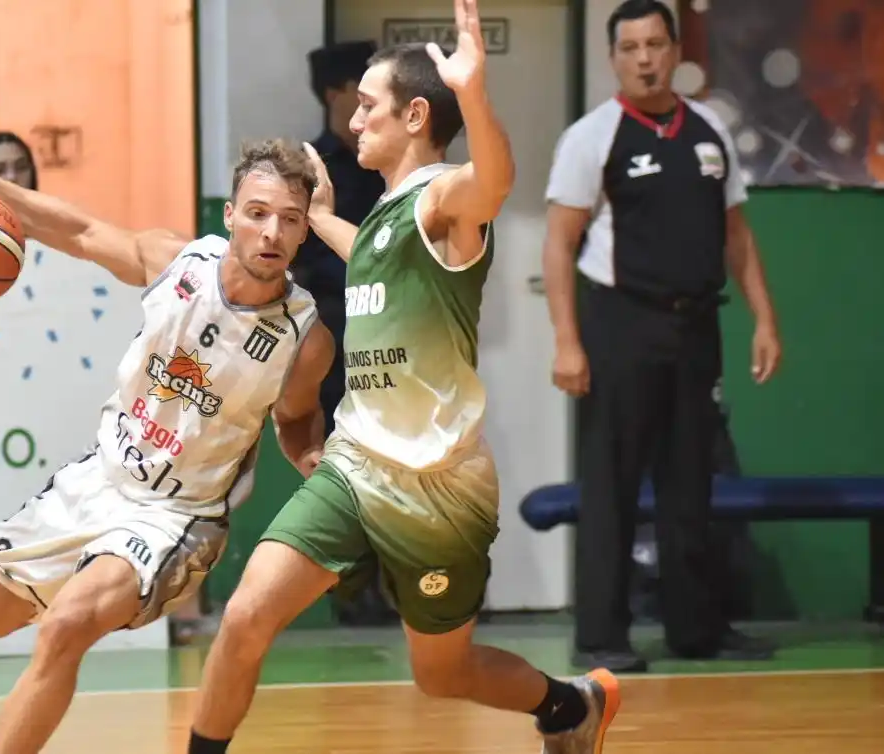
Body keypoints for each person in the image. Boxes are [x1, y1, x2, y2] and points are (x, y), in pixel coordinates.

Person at [186, 4, 620, 754]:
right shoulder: (389, 215)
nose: (353, 120)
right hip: (355, 466)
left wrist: (474, 94)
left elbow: (494, 182)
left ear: (415, 116)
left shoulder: (446, 198)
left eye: (367, 106)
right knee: (248, 613)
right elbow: (374, 258)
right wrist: (321, 216)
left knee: (440, 674)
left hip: (438, 489)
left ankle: (567, 704)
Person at [0, 138, 335, 754]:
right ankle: (79, 589)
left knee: (65, 629)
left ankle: (87, 608)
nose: (271, 232)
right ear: (230, 215)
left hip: (176, 516)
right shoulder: (178, 264)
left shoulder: (304, 338)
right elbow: (82, 232)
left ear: (303, 232)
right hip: (98, 481)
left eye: (290, 220)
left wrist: (309, 456)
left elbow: (296, 420)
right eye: (258, 213)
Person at [540, 0, 781, 673]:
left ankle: (696, 630)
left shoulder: (710, 132)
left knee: (691, 479)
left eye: (654, 45)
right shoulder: (592, 137)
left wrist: (764, 318)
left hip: (696, 325)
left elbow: (737, 235)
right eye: (630, 48)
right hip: (621, 323)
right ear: (613, 58)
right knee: (611, 483)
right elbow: (558, 245)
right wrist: (567, 341)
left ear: (674, 52)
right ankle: (601, 636)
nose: (644, 59)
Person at [297, 39, 393, 628]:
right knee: (342, 461)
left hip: (393, 329)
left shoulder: (385, 161)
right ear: (334, 94)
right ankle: (352, 589)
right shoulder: (314, 169)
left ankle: (408, 586)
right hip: (335, 334)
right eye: (356, 94)